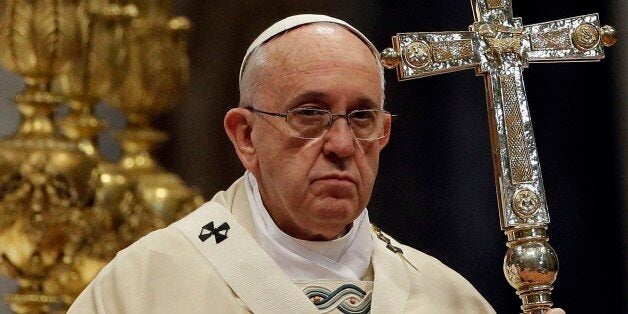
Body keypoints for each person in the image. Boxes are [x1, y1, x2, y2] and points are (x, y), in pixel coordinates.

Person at [69, 14, 566, 313]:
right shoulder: (149, 286)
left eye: (362, 116)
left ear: (384, 134)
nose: (342, 144)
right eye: (310, 114)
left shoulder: (443, 297)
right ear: (245, 136)